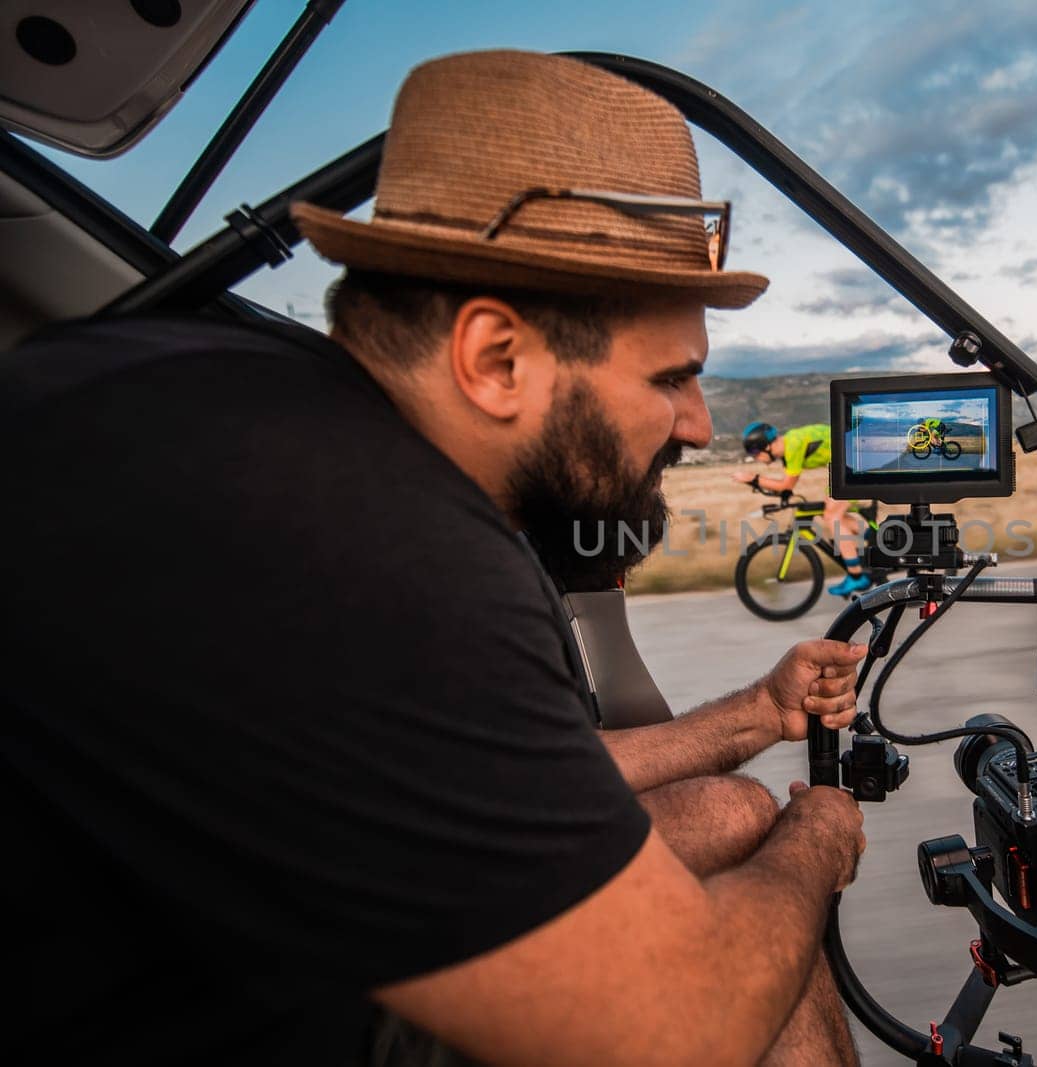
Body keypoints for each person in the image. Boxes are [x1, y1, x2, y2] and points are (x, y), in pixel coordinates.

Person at [2, 51, 868, 1067]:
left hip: (210, 941)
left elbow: (487, 762)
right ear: (496, 359)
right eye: (671, 376)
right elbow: (673, 1030)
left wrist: (756, 717)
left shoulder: (219, 400)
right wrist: (822, 840)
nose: (695, 423)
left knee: (733, 806)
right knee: (765, 880)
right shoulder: (371, 538)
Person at [734, 421, 871, 596]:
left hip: (855, 464)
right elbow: (787, 489)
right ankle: (874, 538)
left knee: (832, 516)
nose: (755, 458)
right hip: (848, 465)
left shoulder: (793, 445)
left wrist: (753, 478)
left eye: (754, 452)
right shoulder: (788, 449)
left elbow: (785, 485)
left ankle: (857, 576)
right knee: (829, 512)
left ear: (766, 446)